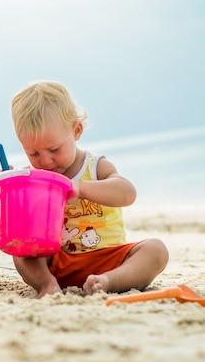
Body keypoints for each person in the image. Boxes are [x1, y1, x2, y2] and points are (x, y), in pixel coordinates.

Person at [10, 81, 169, 298]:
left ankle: (107, 282)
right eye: (33, 154)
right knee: (21, 251)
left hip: (108, 259)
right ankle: (47, 285)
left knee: (156, 250)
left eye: (54, 149)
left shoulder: (95, 166)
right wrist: (6, 184)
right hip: (59, 263)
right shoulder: (34, 178)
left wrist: (81, 189)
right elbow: (15, 215)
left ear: (76, 131)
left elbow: (127, 193)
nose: (45, 161)